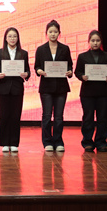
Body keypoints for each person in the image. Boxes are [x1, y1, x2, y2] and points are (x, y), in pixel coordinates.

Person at [34, 20, 73, 152]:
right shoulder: (41, 49)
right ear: (46, 33)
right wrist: (39, 71)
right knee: (46, 116)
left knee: (58, 117)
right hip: (46, 87)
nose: (53, 34)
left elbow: (69, 65)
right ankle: (47, 142)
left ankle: (58, 141)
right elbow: (37, 66)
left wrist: (69, 72)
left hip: (61, 87)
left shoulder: (65, 48)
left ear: (59, 33)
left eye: (55, 32)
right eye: (50, 32)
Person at [74, 30, 107, 152]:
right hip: (87, 93)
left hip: (103, 93)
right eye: (93, 40)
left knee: (102, 118)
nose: (95, 43)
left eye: (97, 40)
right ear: (89, 42)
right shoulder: (82, 56)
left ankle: (101, 142)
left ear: (101, 42)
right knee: (88, 118)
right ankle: (87, 142)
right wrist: (82, 77)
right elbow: (77, 72)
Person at [0, 27, 30, 153]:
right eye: (10, 36)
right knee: (4, 116)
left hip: (17, 88)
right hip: (3, 88)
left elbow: (28, 70)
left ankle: (14, 143)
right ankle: (4, 143)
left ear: (18, 38)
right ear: (5, 38)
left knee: (15, 116)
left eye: (15, 36)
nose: (12, 39)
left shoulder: (23, 53)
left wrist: (26, 74)